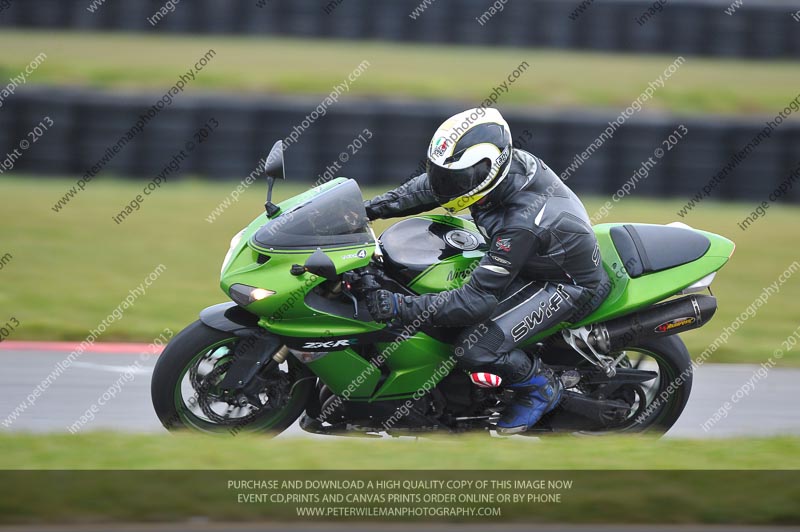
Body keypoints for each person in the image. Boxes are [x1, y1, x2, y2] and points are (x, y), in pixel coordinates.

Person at [363, 108, 609, 434]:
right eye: (441, 174)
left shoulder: (519, 222)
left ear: (489, 170)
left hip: (563, 282)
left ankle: (541, 387)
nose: (445, 185)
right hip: (531, 254)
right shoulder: (484, 176)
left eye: (453, 179)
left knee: (476, 347)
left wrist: (399, 307)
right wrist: (366, 210)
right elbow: (430, 188)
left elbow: (476, 302)